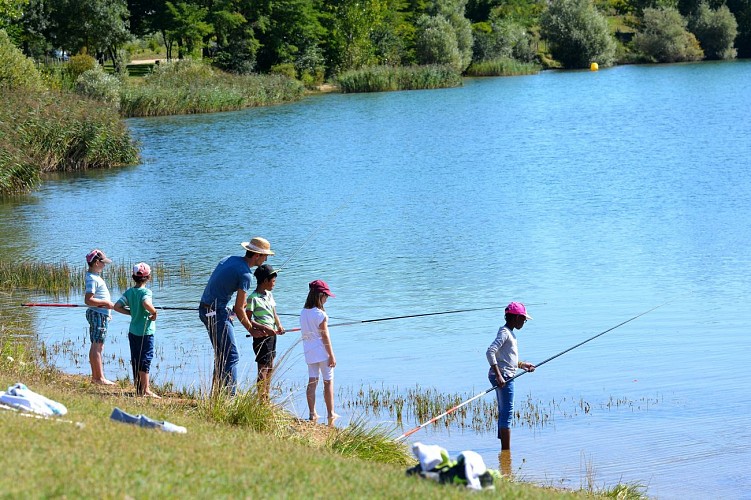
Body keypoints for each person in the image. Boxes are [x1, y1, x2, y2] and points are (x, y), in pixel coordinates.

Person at [199, 237, 274, 396]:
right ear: (256, 256)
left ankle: (217, 396)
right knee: (232, 356)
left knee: (221, 355)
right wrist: (251, 330)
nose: (266, 258)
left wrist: (230, 310)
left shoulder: (230, 259)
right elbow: (240, 309)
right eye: (265, 255)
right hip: (216, 312)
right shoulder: (246, 274)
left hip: (205, 309)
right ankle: (229, 399)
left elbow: (220, 289)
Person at [486, 302, 536, 450]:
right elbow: (490, 352)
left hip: (504, 374)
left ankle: (504, 456)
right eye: (523, 319)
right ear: (515, 318)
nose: (524, 322)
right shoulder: (505, 333)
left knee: (503, 411)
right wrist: (499, 376)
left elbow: (507, 358)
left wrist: (522, 365)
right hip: (504, 377)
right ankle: (506, 451)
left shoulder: (508, 332)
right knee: (507, 413)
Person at [114, 262, 160, 398]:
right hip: (146, 332)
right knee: (145, 359)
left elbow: (117, 306)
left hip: (133, 331)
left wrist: (132, 313)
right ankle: (146, 390)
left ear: (133, 277)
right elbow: (146, 303)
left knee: (136, 358)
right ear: (149, 277)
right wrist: (154, 312)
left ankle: (139, 388)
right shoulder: (146, 292)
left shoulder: (129, 292)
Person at [300, 279, 338, 423]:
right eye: (326, 296)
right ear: (319, 295)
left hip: (309, 352)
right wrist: (331, 355)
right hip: (323, 353)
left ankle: (312, 413)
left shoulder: (303, 312)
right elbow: (325, 335)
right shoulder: (321, 314)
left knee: (312, 381)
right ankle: (331, 414)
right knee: (328, 382)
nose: (327, 299)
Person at [246, 263, 285, 400]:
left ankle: (266, 395)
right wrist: (264, 328)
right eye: (273, 281)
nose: (274, 284)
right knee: (262, 369)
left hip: (272, 336)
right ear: (265, 281)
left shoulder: (269, 295)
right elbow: (247, 319)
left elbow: (274, 314)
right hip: (261, 337)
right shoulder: (253, 298)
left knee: (270, 366)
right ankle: (261, 399)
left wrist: (279, 326)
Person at [84, 249, 116, 385]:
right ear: (96, 263)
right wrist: (107, 304)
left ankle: (96, 377)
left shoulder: (94, 276)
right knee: (97, 346)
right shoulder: (92, 278)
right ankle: (99, 378)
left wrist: (108, 313)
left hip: (101, 314)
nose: (104, 265)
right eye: (103, 263)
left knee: (97, 346)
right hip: (98, 314)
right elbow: (89, 300)